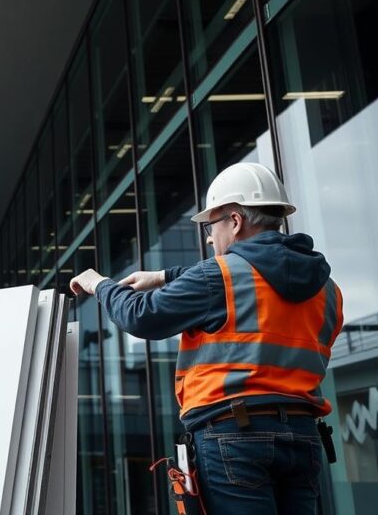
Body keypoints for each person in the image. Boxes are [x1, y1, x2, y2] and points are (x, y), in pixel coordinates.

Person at [69, 162, 342, 515]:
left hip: (235, 434)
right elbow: (255, 276)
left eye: (211, 226)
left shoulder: (219, 276)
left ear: (235, 221)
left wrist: (99, 284)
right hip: (303, 437)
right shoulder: (328, 289)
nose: (210, 237)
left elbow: (141, 316)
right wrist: (165, 275)